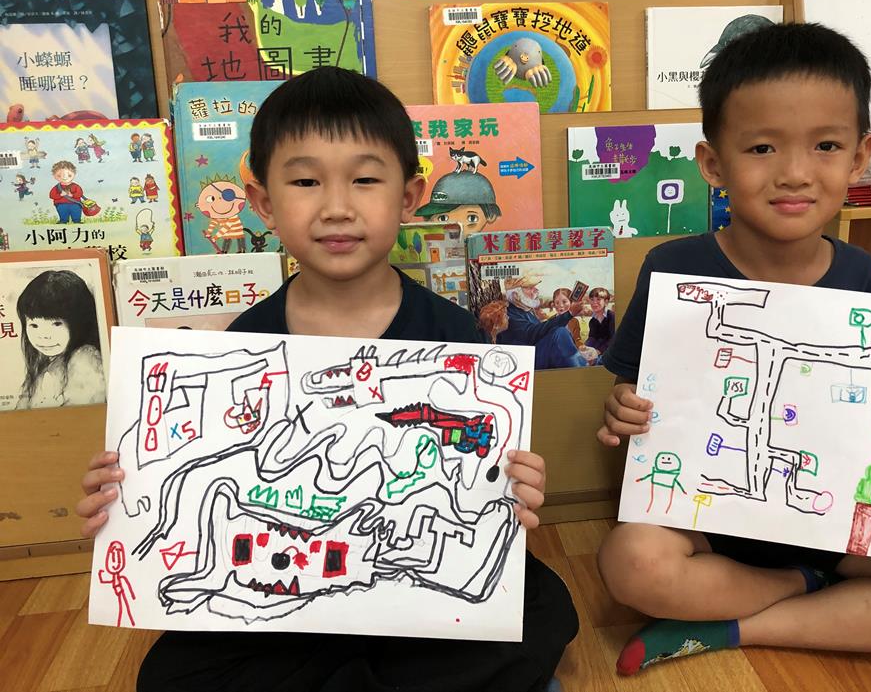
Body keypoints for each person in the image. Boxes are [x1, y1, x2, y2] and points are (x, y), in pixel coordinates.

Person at [77, 66, 577, 692]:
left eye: (365, 180)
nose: (337, 207)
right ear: (263, 202)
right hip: (289, 585)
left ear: (409, 197)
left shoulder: (456, 337)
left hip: (411, 585)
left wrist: (516, 485)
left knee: (540, 613)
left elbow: (478, 478)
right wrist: (123, 495)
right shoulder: (242, 347)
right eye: (306, 181)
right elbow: (207, 484)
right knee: (170, 676)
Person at [594, 23, 871, 676]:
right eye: (761, 147)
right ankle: (806, 590)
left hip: (842, 528)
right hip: (711, 521)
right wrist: (624, 410)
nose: (793, 173)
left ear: (859, 157)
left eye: (825, 146)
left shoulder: (866, 278)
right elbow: (633, 395)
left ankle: (739, 625)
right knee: (631, 564)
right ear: (713, 164)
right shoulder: (674, 269)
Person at [16, 269, 105, 409]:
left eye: (57, 324)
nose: (44, 335)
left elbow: (82, 413)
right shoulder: (42, 362)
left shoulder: (85, 360)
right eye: (34, 325)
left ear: (79, 322)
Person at [497, 274, 587, 369]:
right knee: (560, 332)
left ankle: (582, 364)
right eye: (530, 287)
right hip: (524, 363)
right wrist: (569, 313)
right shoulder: (510, 314)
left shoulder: (526, 311)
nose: (536, 290)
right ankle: (581, 368)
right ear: (515, 295)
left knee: (560, 334)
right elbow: (533, 333)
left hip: (533, 357)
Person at [584, 287, 614, 357]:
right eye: (592, 300)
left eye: (598, 299)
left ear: (606, 302)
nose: (594, 303)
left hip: (609, 350)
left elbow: (613, 338)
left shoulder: (611, 317)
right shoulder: (593, 321)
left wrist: (599, 351)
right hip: (597, 350)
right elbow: (592, 337)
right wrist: (586, 347)